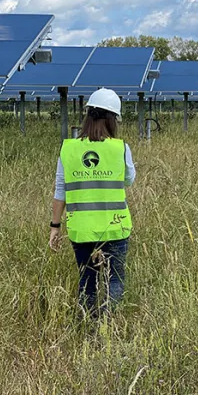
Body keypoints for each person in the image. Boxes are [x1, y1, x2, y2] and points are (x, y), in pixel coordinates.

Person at [49, 88, 136, 317]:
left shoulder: (68, 149)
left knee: (87, 279)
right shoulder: (120, 148)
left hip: (81, 230)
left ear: (87, 115)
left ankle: (87, 323)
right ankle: (107, 326)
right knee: (114, 281)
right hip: (115, 227)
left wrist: (55, 227)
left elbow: (61, 191)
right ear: (112, 119)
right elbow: (129, 179)